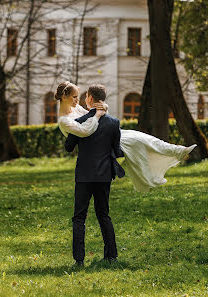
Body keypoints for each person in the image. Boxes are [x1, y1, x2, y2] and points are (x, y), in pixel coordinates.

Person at [56, 81, 197, 192]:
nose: (77, 100)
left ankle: (178, 150)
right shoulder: (64, 120)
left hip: (105, 133)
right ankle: (157, 173)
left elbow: (93, 112)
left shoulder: (75, 109)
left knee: (144, 138)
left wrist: (101, 109)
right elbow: (86, 130)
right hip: (101, 140)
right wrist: (98, 114)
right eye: (74, 97)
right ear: (64, 97)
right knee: (138, 142)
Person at [62, 84, 122, 266]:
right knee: (104, 215)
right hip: (104, 175)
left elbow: (68, 146)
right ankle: (111, 256)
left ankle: (79, 260)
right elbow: (117, 150)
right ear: (103, 99)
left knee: (79, 217)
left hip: (84, 176)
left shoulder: (80, 121)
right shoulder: (113, 123)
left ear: (89, 98)